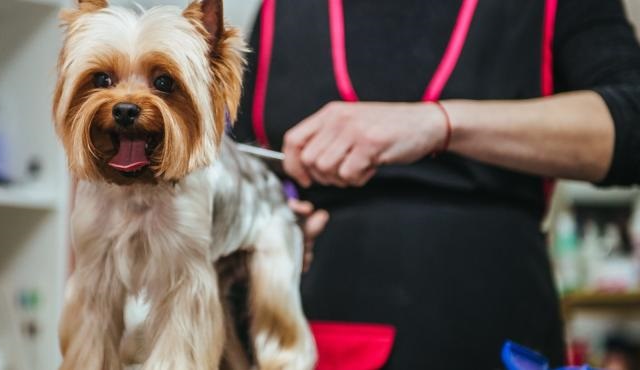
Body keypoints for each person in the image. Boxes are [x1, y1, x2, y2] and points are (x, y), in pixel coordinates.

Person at [231, 0, 640, 368]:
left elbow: (630, 126)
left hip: (495, 334)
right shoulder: (280, 9)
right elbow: (240, 174)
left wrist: (437, 123)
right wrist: (274, 224)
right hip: (321, 341)